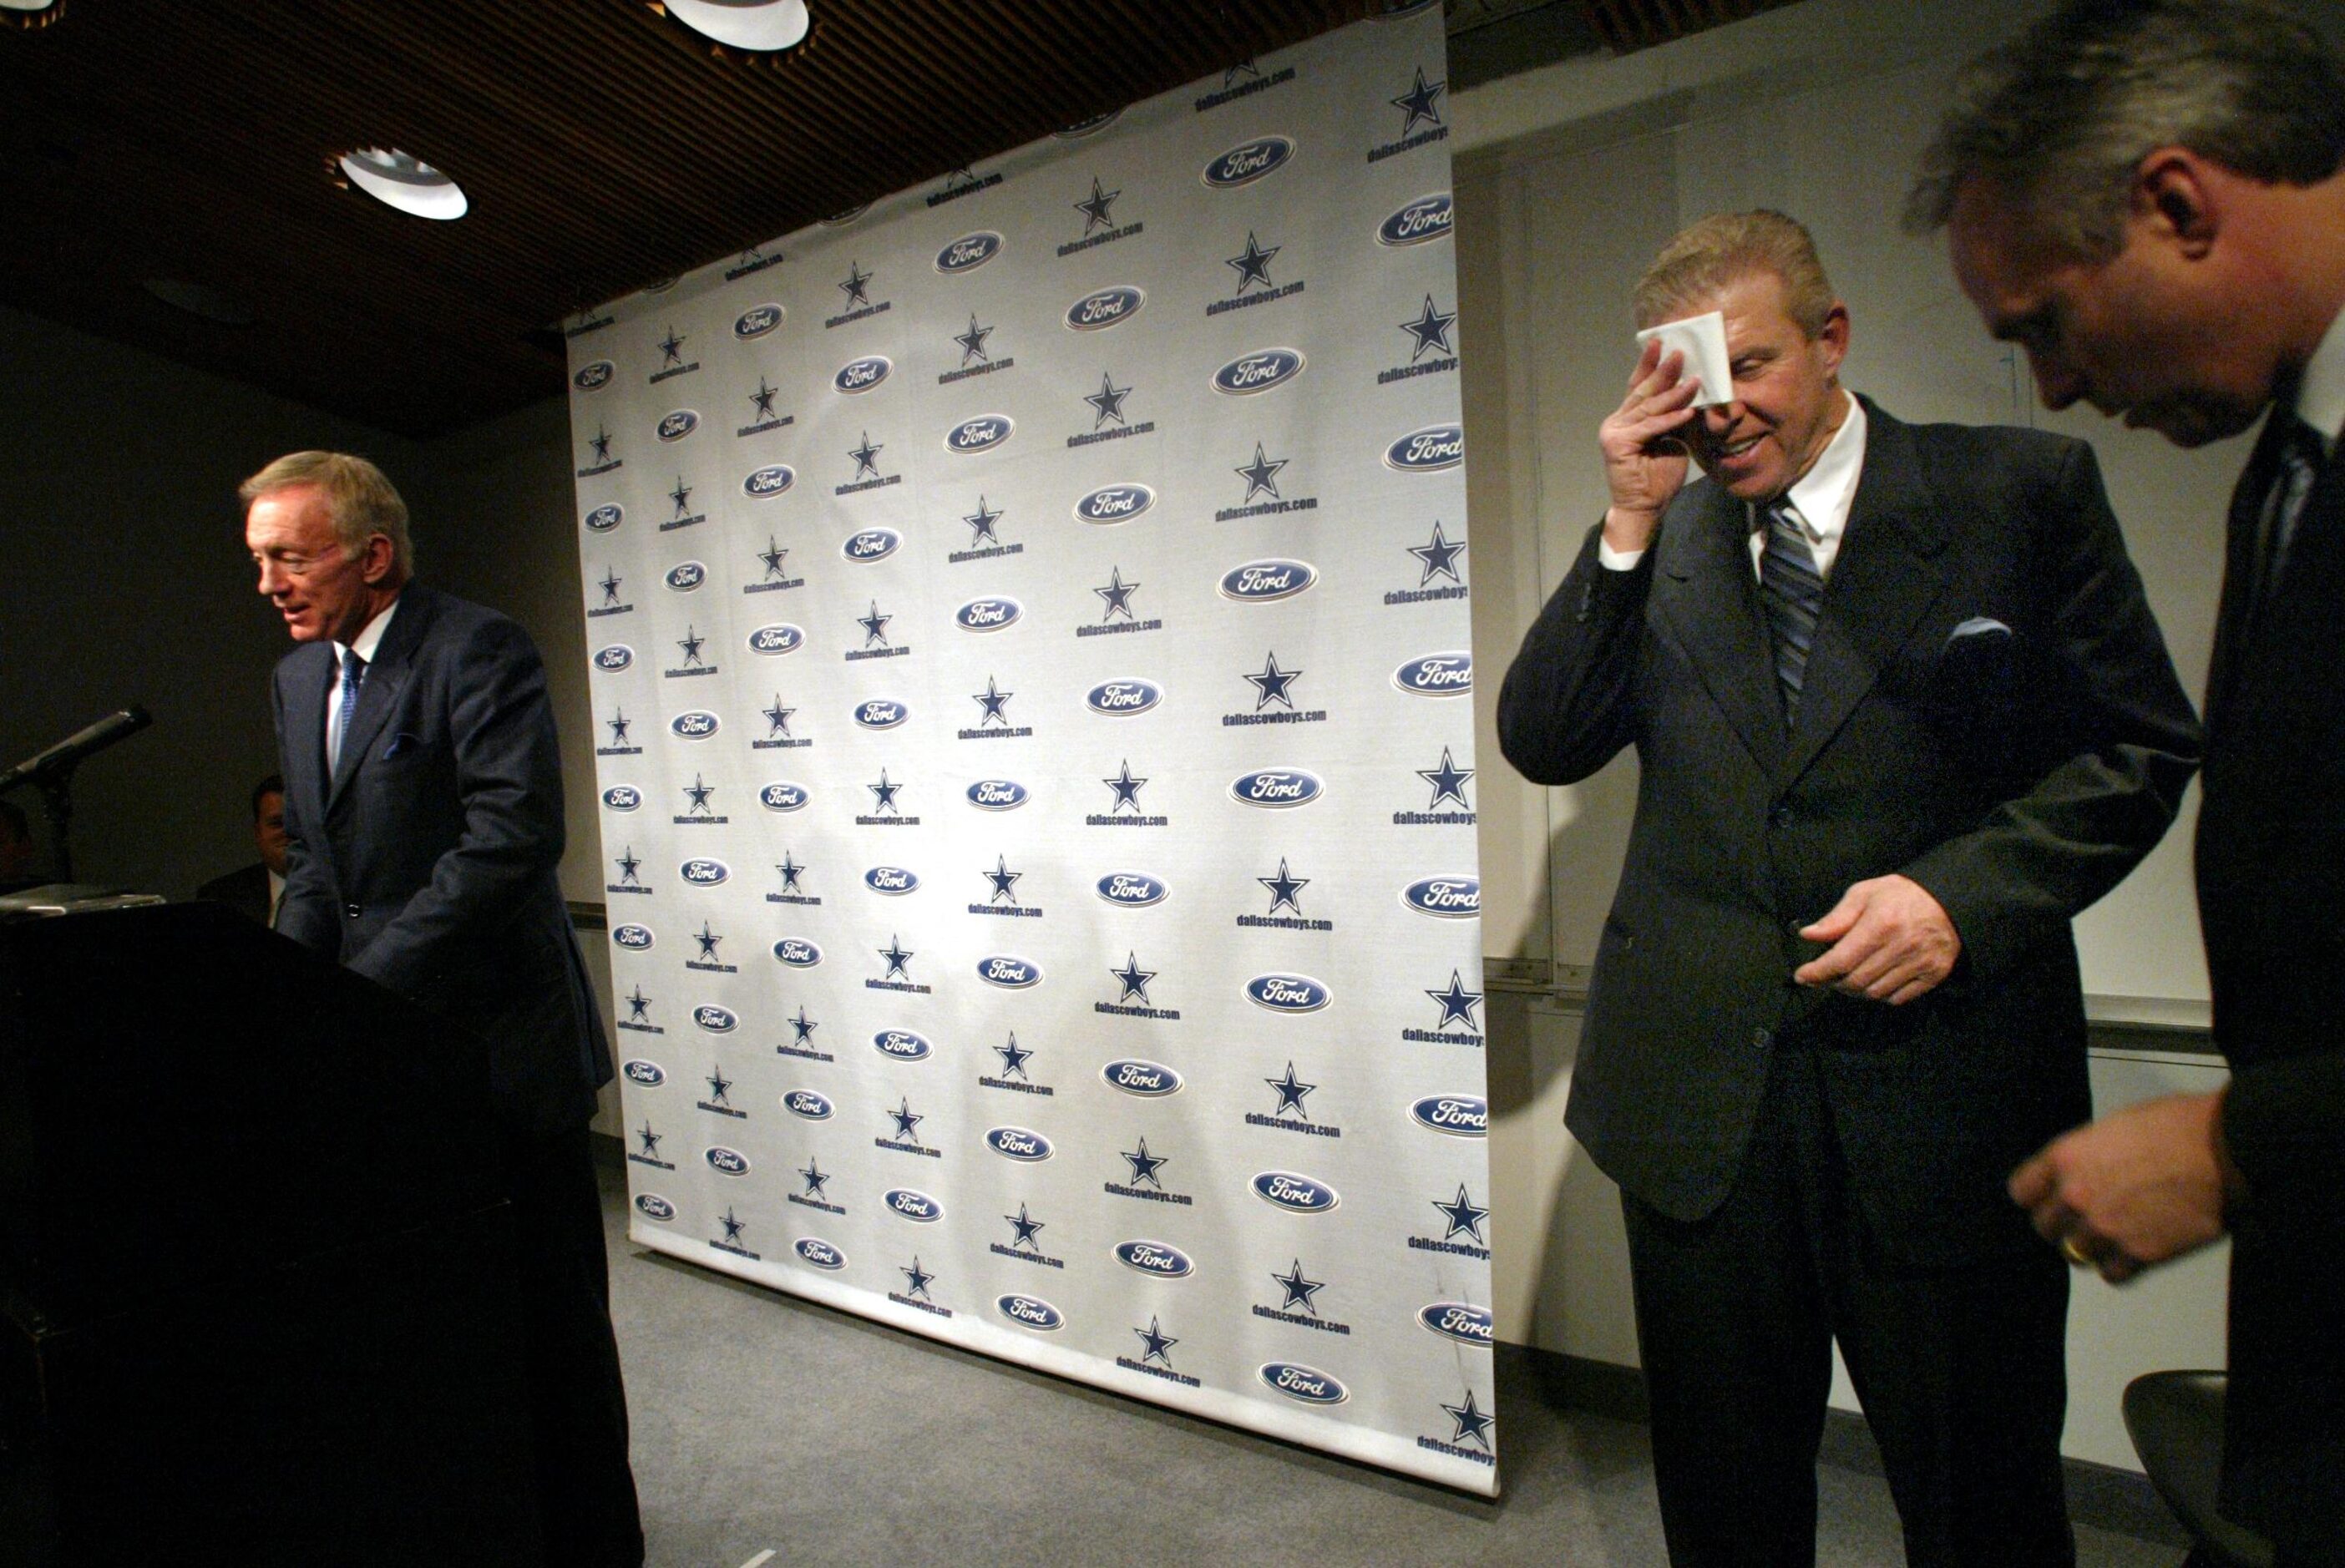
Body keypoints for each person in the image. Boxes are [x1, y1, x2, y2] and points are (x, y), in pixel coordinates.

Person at [1497, 210, 2202, 1567]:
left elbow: (2136, 748)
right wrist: (1625, 520)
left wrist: (1958, 898)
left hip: (1941, 1100)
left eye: (1749, 367)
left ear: (1829, 341)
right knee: (1726, 1504)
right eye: (1687, 387)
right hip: (1697, 1112)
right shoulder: (1669, 538)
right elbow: (1544, 736)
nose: (1720, 415)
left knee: (1980, 1499)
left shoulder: (2014, 495)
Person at [1914, 1, 2345, 1559]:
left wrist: (2247, 1143)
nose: (2046, 388)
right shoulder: (2286, 463)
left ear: (2173, 204)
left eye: (2041, 319)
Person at [241, 450, 641, 1565]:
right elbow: (319, 868)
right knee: (436, 1333)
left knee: (551, 1334)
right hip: (391, 1071)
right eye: (259, 558)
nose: (269, 580)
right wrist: (283, 1002)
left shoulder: (476, 647)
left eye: (290, 554)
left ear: (373, 554)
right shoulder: (295, 678)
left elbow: (511, 842)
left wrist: (356, 990)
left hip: (502, 1059)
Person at [195, 773, 287, 926]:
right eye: (277, 823)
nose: (289, 833)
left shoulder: (339, 892)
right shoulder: (219, 900)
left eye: (299, 823)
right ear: (258, 833)